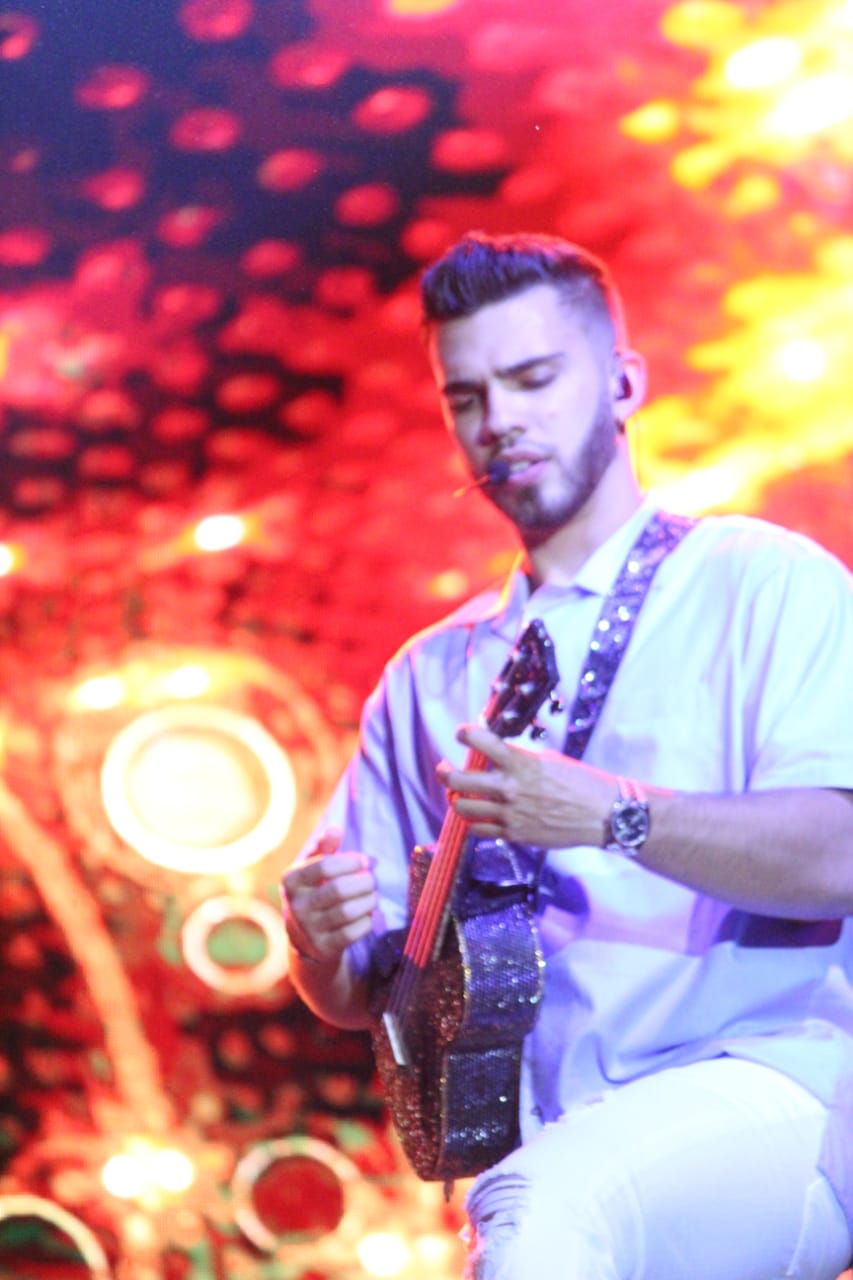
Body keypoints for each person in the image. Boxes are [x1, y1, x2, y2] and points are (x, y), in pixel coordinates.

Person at [280, 231, 853, 1280]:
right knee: (536, 1205)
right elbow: (366, 986)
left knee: (540, 1209)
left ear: (624, 383)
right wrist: (317, 945)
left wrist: (611, 814)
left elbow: (838, 855)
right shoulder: (428, 673)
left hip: (779, 1091)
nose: (498, 419)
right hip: (549, 1139)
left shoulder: (764, 582)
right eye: (466, 397)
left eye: (532, 378)